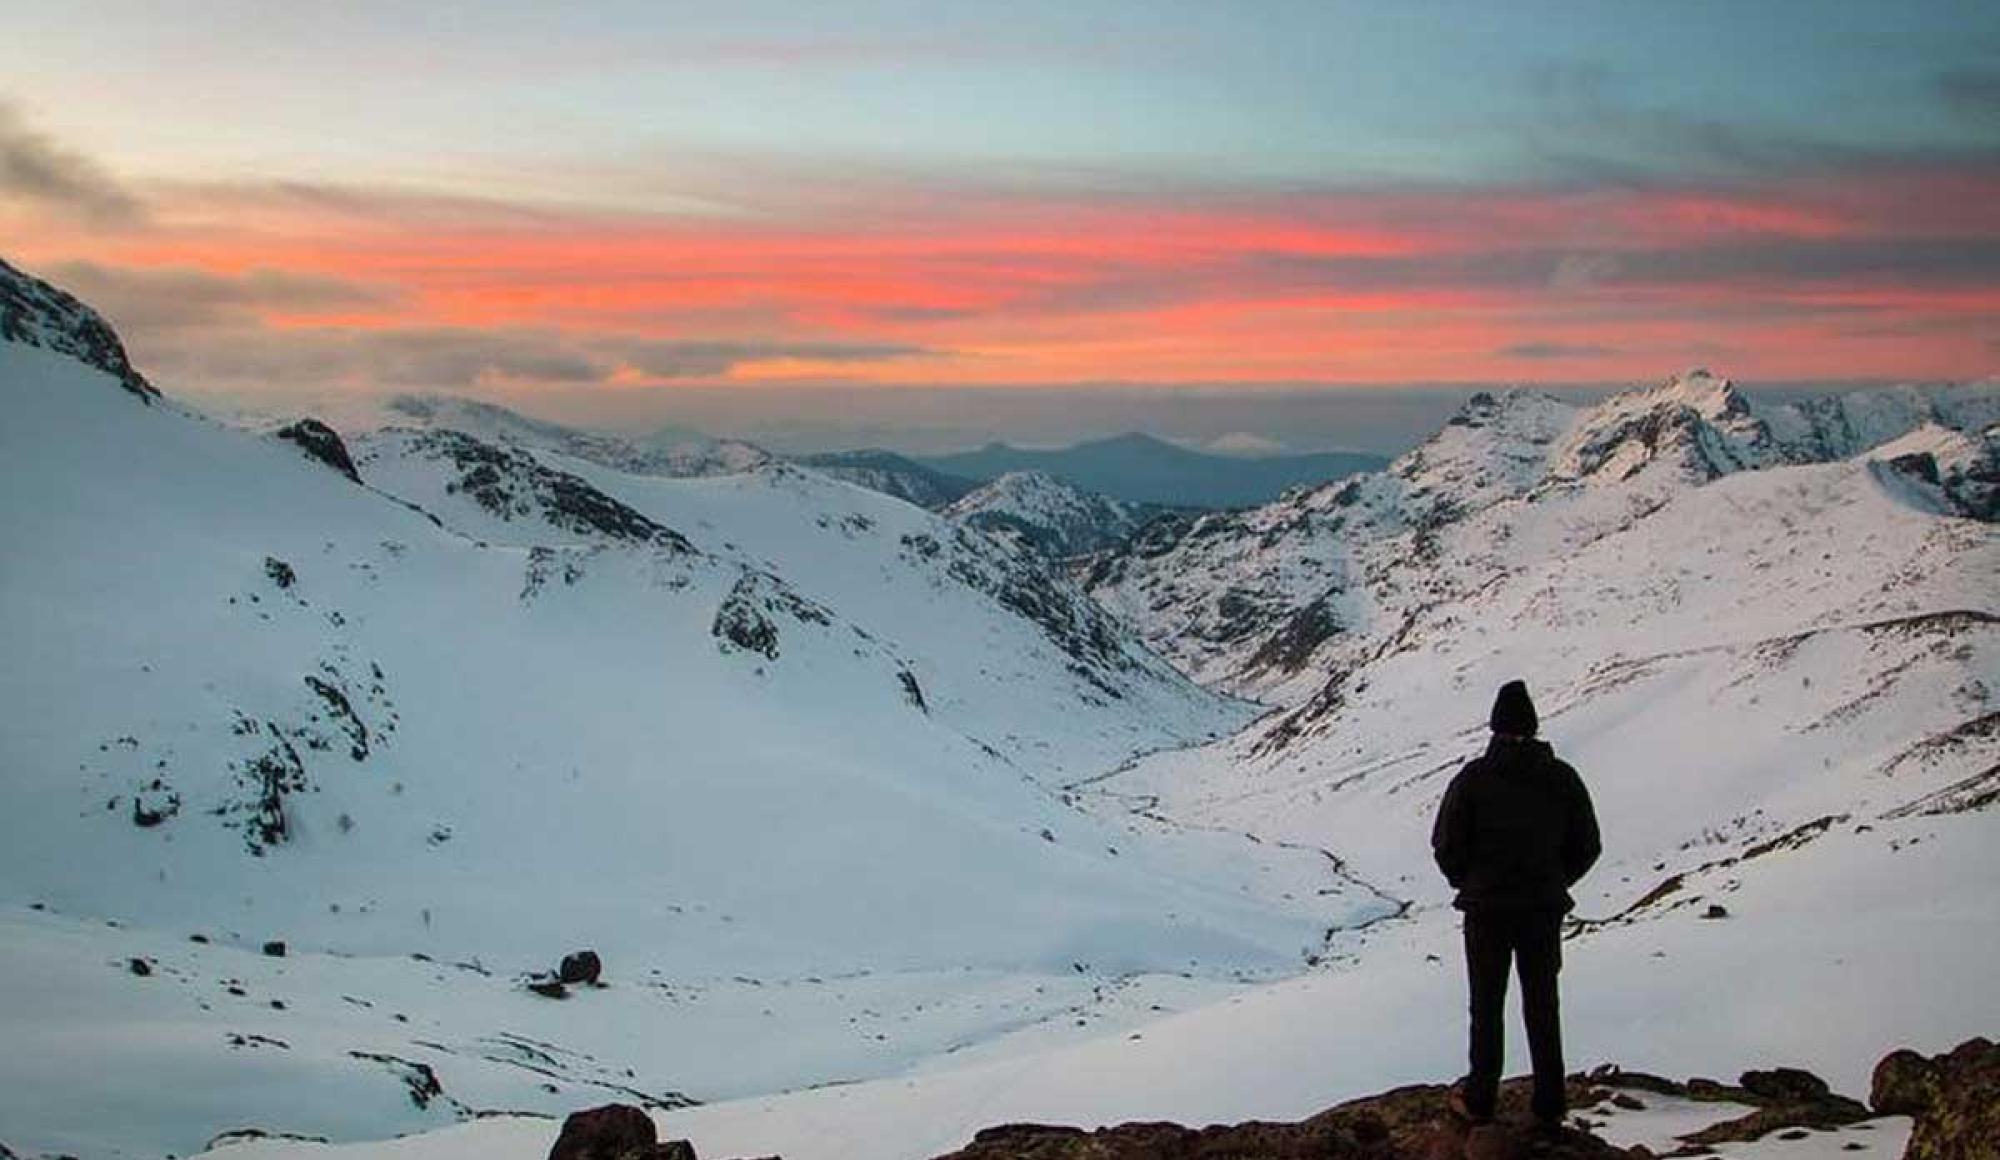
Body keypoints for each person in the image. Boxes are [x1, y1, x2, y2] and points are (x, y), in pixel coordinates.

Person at [1431, 679, 1601, 1131]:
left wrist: (1470, 882)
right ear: (1533, 726)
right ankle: (1550, 1103)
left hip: (1486, 910)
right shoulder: (1562, 778)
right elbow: (1588, 844)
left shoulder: (1474, 779)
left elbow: (1446, 843)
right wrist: (1553, 881)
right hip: (1541, 910)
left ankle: (1481, 1097)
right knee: (1542, 1002)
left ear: (1494, 726)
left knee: (1485, 1004)